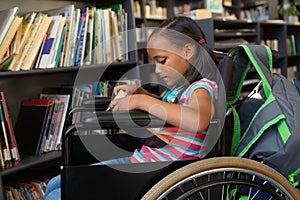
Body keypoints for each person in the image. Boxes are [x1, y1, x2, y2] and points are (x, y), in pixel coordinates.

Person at [44, 15, 219, 200]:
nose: (157, 70)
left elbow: (198, 120)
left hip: (162, 174)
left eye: (162, 60)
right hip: (146, 162)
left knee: (58, 195)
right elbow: (170, 111)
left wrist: (141, 102)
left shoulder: (201, 88)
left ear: (187, 51)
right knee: (55, 184)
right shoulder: (179, 89)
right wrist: (141, 93)